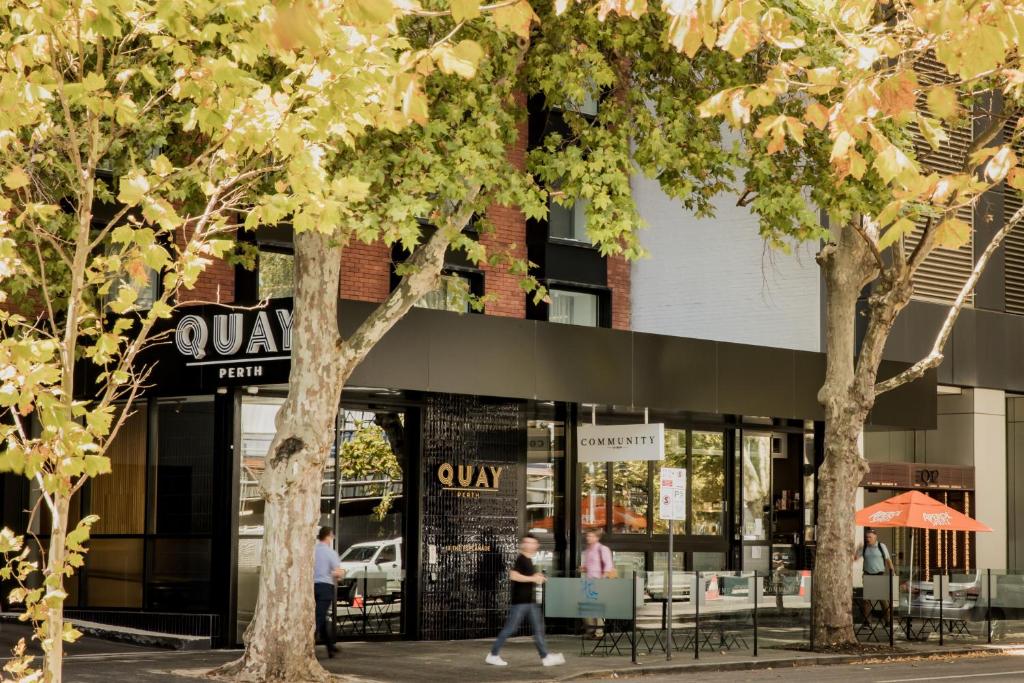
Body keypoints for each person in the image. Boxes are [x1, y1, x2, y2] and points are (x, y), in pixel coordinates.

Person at [486, 534, 565, 668]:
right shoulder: (521, 559)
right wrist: (533, 579)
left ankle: (545, 657)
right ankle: (493, 655)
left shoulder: (528, 560)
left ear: (536, 545)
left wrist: (536, 576)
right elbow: (513, 575)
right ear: (523, 545)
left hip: (530, 602)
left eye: (532, 543)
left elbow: (527, 576)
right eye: (527, 542)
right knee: (510, 629)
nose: (530, 545)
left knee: (538, 629)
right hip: (521, 602)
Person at [314, 526, 345, 659]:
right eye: (332, 536)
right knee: (319, 618)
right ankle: (311, 643)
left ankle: (330, 647)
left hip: (311, 587)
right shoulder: (330, 552)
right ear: (328, 536)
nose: (332, 538)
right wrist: (341, 574)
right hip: (325, 587)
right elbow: (338, 572)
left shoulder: (312, 551)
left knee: (320, 617)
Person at [579, 530, 614, 639]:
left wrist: (602, 581)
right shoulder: (588, 551)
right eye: (587, 535)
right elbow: (589, 567)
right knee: (585, 607)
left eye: (590, 536)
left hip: (598, 582)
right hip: (588, 582)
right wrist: (583, 569)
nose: (588, 538)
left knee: (596, 608)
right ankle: (591, 630)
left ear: (597, 537)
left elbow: (608, 566)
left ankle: (598, 632)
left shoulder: (602, 549)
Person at [854, 529, 895, 621]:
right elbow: (855, 558)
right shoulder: (864, 547)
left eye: (870, 537)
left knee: (882, 598)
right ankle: (867, 622)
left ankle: (888, 620)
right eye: (866, 537)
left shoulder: (881, 546)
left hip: (879, 574)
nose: (868, 539)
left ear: (875, 537)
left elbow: (888, 560)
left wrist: (893, 572)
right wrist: (857, 549)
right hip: (867, 574)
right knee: (866, 600)